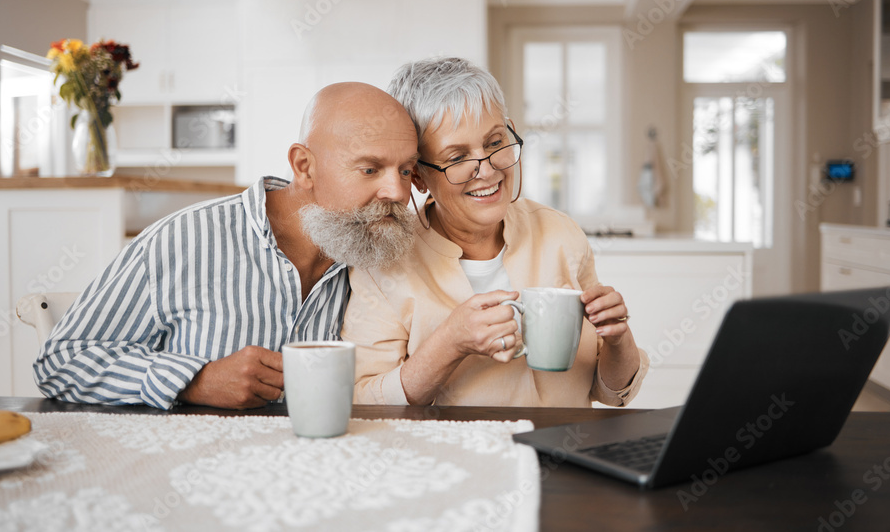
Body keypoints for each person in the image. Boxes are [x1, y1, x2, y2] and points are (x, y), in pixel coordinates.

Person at [34, 82, 420, 410]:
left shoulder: (378, 253)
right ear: (304, 167)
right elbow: (60, 360)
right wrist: (193, 381)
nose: (397, 191)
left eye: (406, 170)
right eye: (370, 169)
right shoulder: (185, 239)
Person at [342, 57, 649, 407]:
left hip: (565, 447)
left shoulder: (560, 233)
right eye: (457, 157)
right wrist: (449, 344)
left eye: (494, 143)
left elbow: (610, 392)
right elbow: (362, 402)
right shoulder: (383, 262)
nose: (487, 171)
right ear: (418, 176)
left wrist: (618, 338)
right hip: (459, 460)